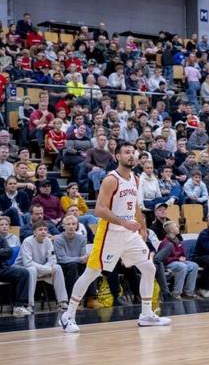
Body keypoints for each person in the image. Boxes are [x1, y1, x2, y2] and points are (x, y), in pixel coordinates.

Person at [58, 142, 170, 333]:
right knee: (91, 273)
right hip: (109, 233)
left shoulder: (135, 179)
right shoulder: (111, 179)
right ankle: (68, 316)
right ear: (117, 156)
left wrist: (142, 228)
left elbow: (135, 206)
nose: (131, 155)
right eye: (127, 152)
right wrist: (124, 223)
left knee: (149, 267)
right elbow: (100, 210)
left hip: (129, 234)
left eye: (133, 152)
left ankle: (146, 315)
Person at [16, 220, 69, 311]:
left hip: (40, 269)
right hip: (23, 269)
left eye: (45, 229)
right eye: (40, 229)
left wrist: (46, 269)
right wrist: (47, 270)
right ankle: (30, 304)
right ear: (34, 232)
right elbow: (28, 263)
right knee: (32, 269)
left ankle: (62, 301)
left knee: (57, 267)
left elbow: (52, 260)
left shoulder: (48, 241)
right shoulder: (27, 241)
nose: (43, 231)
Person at [156, 221, 199, 300]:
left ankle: (188, 292)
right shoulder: (165, 243)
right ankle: (176, 293)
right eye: (176, 227)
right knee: (182, 266)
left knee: (194, 265)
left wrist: (182, 257)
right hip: (169, 263)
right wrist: (177, 259)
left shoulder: (177, 240)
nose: (178, 228)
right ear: (172, 230)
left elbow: (182, 253)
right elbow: (164, 259)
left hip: (178, 261)